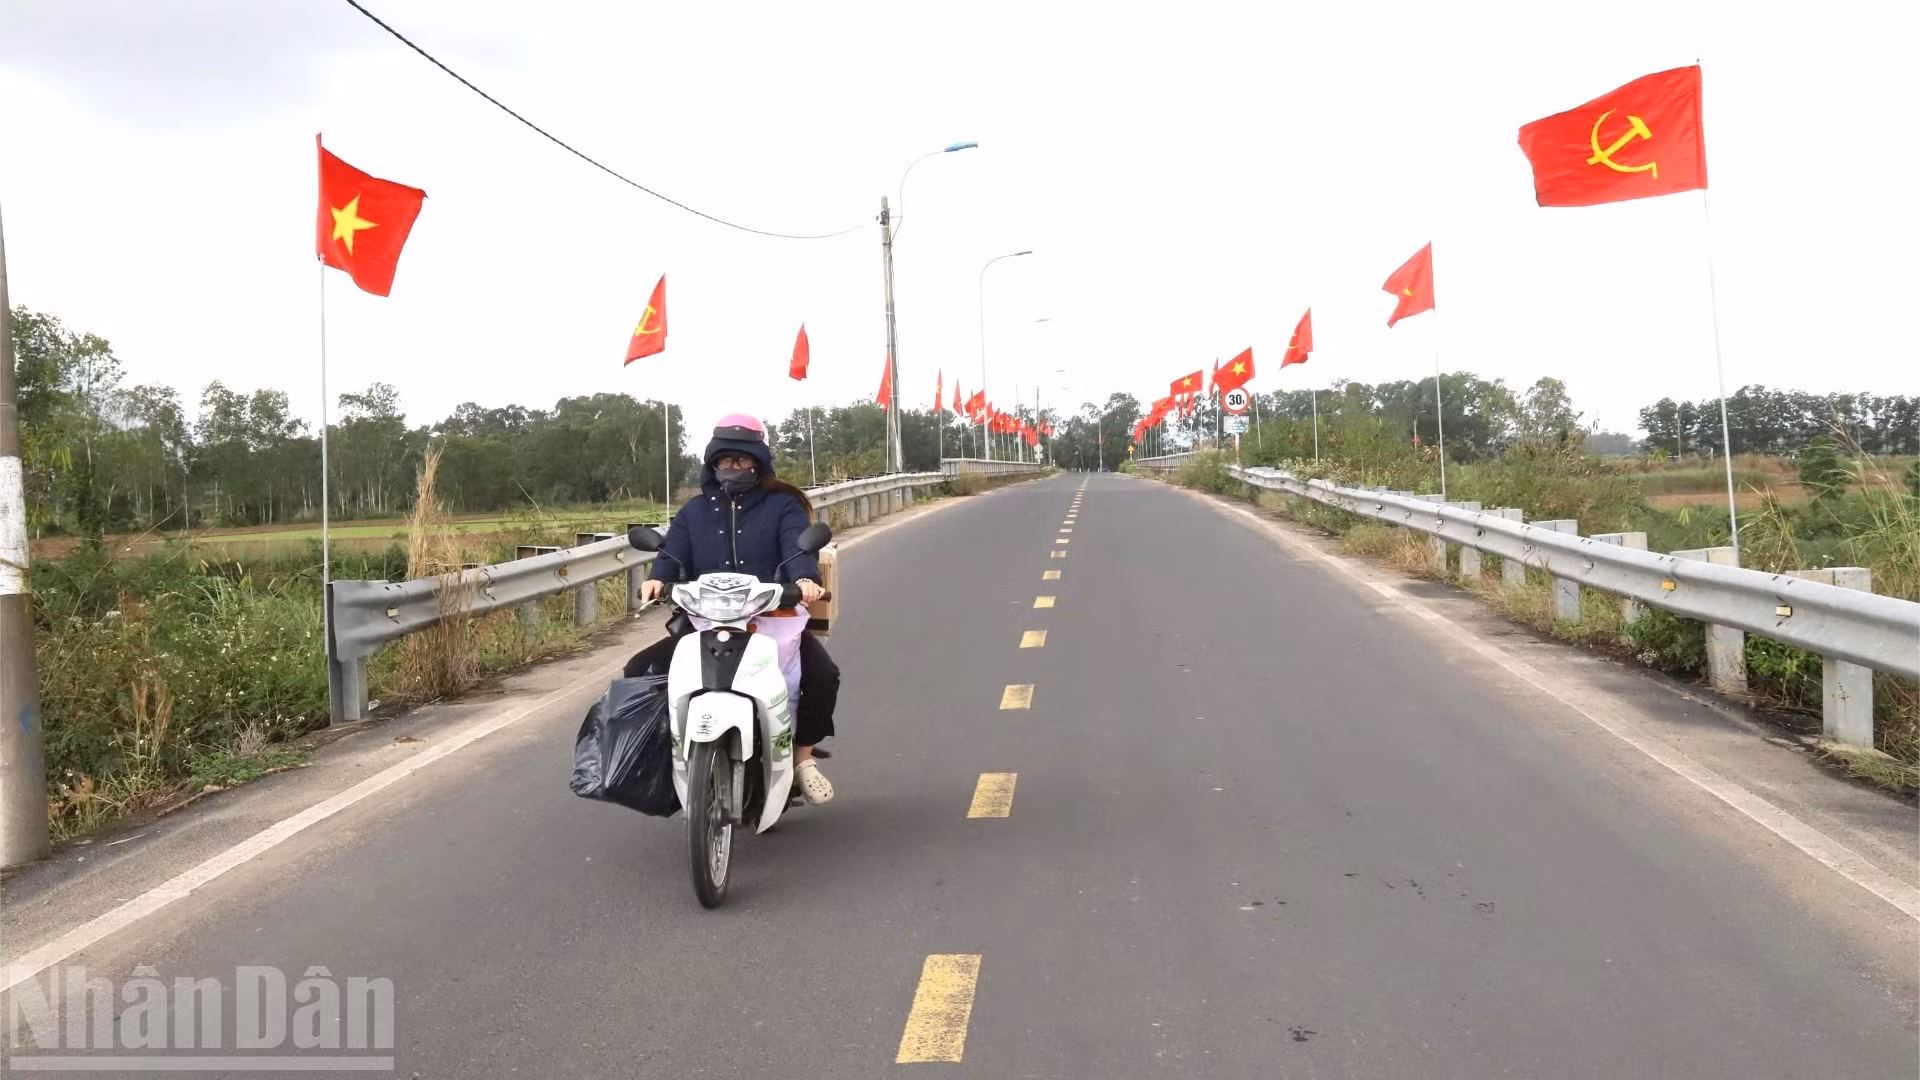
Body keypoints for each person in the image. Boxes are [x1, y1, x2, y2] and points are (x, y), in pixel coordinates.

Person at [626, 414, 840, 804]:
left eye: (742, 460)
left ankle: (802, 759)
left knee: (824, 676)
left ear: (759, 462)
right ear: (713, 463)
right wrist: (657, 578)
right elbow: (673, 552)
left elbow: (797, 548)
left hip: (772, 621)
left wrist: (805, 580)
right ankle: (663, 758)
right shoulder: (694, 512)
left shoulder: (782, 507)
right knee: (639, 670)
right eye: (726, 460)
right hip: (706, 623)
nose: (734, 467)